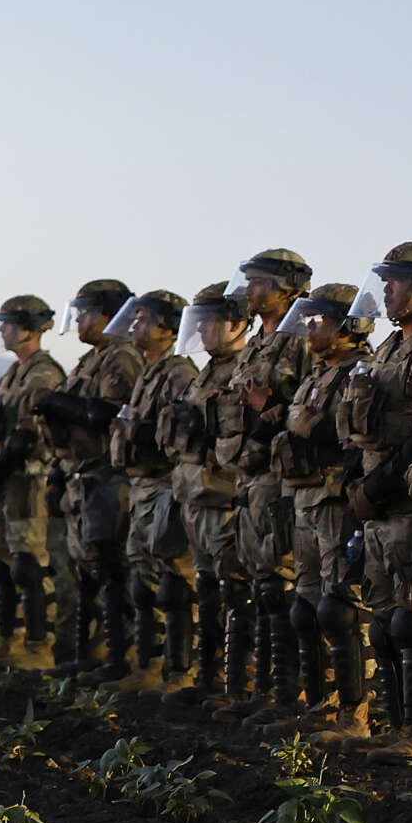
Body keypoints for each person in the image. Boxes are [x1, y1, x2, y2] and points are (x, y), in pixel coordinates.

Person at [326, 243, 412, 755]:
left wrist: (376, 488)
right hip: (378, 507)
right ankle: (394, 724)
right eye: (384, 280)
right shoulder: (387, 348)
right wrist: (354, 483)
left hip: (409, 502)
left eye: (398, 281)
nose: (387, 289)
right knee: (384, 623)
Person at [268, 283, 374, 730]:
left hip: (333, 498)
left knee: (340, 607)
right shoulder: (316, 375)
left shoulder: (359, 372)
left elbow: (348, 436)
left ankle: (354, 713)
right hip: (304, 497)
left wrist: (305, 425)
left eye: (319, 321)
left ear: (348, 325)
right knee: (306, 607)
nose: (310, 328)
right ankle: (319, 705)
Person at [218, 251, 314, 719]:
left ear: (285, 288)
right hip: (249, 476)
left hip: (281, 476)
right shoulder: (256, 343)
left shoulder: (301, 339)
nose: (248, 292)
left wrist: (271, 404)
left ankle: (289, 696)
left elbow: (312, 405)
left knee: (281, 584)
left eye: (257, 283)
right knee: (259, 582)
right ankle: (263, 690)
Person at [34, 279, 143, 676]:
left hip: (107, 473)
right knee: (87, 571)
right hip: (81, 475)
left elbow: (110, 413)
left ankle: (120, 659)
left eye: (86, 313)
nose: (79, 321)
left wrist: (56, 401)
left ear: (108, 315)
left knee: (111, 569)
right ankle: (88, 655)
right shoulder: (88, 361)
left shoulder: (121, 357)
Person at [159, 283, 254, 704]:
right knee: (206, 593)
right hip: (194, 498)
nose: (201, 331)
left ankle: (239, 686)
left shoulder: (244, 371)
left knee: (237, 594)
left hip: (225, 498)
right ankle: (208, 679)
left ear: (236, 324)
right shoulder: (205, 373)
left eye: (209, 322)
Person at [101, 290, 195, 689]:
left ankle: (181, 671)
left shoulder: (179, 373)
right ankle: (148, 666)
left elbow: (181, 434)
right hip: (140, 484)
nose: (134, 326)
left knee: (174, 580)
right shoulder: (149, 371)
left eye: (143, 319)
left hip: (164, 485)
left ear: (167, 328)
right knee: (142, 580)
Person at [0, 295, 66, 669]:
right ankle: (9, 641)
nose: (3, 332)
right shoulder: (13, 373)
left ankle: (39, 647)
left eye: (8, 325)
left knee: (28, 564)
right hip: (4, 481)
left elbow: (27, 433)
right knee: (1, 563)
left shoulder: (42, 373)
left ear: (29, 329)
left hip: (26, 480)